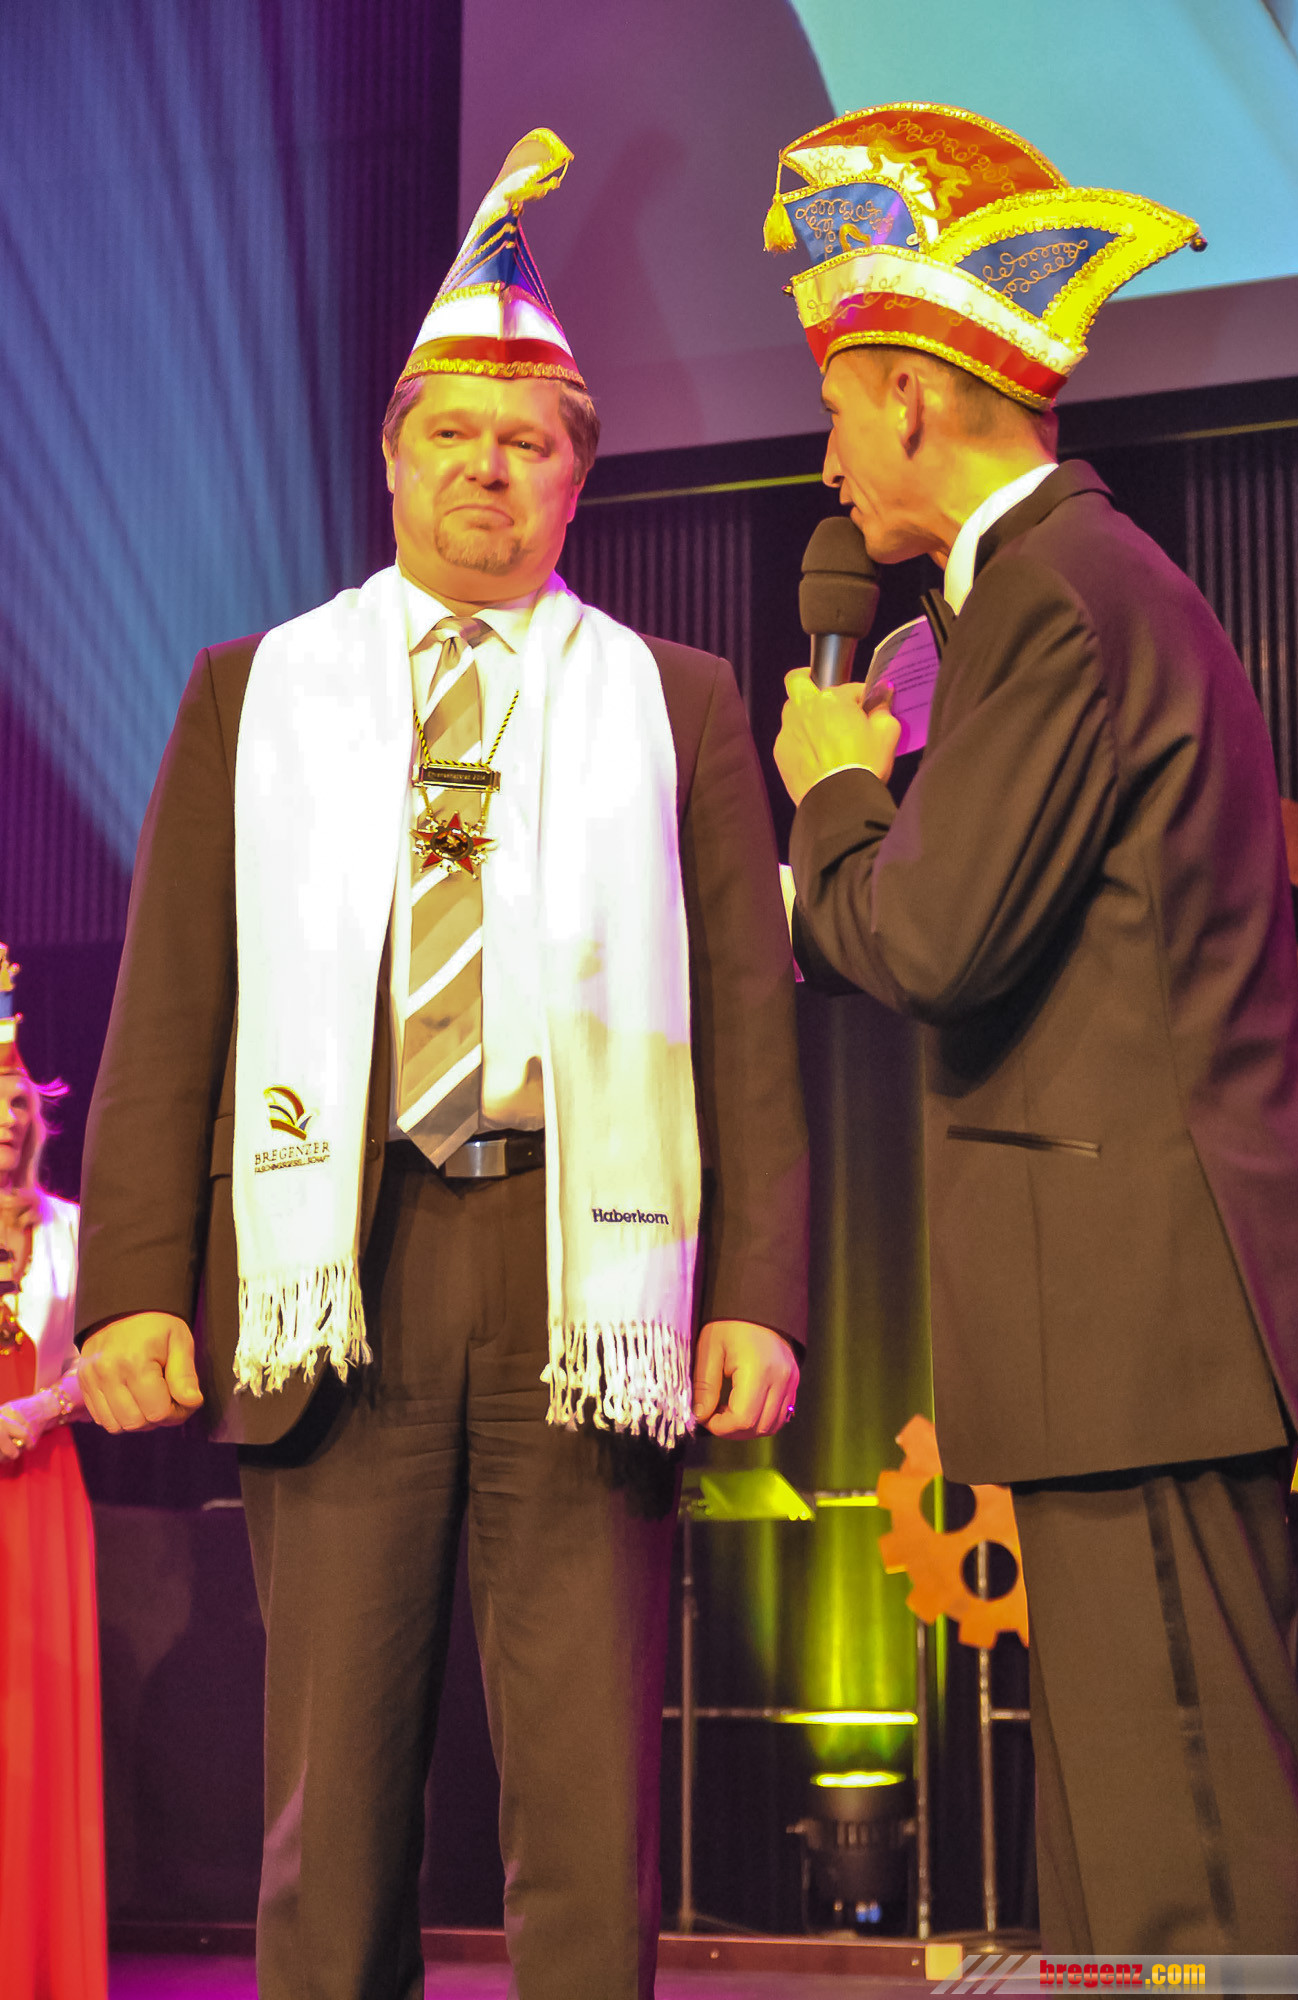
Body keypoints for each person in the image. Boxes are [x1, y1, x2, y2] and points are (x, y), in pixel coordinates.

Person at [74, 130, 807, 2000]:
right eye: (454, 434)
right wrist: (136, 1283)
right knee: (331, 1801)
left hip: (583, 1267)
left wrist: (758, 1295)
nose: (488, 468)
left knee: (586, 1803)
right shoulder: (258, 691)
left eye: (529, 441)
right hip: (343, 1257)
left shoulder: (676, 699)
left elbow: (745, 1021)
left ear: (578, 478)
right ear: (391, 458)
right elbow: (173, 1004)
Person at [767, 105, 1298, 1951]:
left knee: (1189, 1857)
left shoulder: (1058, 598)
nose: (827, 457)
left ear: (912, 396)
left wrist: (832, 789)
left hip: (1138, 1320)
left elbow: (930, 937)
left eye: (839, 406)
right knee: (1119, 1880)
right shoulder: (1054, 592)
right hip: (1112, 1328)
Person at [0, 946, 106, 2000]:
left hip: (42, 1489)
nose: (9, 1117)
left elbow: (97, 1363)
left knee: (37, 1720)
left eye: (21, 1103)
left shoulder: (73, 1231)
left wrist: (42, 1408)